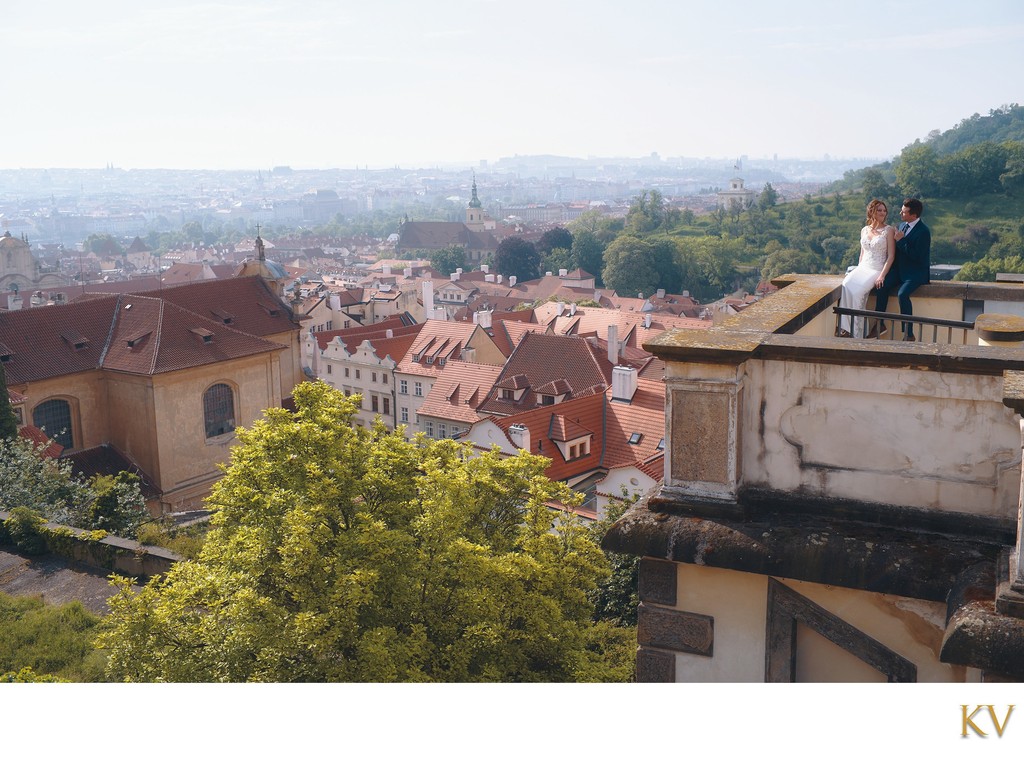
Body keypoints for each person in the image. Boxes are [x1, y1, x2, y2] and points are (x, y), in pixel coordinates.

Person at [873, 198, 931, 341]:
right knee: (882, 286)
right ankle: (880, 323)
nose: (900, 213)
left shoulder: (924, 232)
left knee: (902, 294)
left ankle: (908, 333)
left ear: (914, 215)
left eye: (904, 212)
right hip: (900, 271)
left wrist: (901, 241)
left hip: (916, 273)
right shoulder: (902, 225)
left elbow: (918, 257)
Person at [837, 199, 894, 338]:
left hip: (876, 269)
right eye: (879, 210)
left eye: (884, 210)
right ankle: (845, 328)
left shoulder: (889, 230)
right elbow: (862, 253)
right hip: (862, 267)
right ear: (872, 211)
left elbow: (891, 256)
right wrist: (857, 269)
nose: (882, 213)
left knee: (857, 293)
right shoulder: (864, 230)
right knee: (846, 285)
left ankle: (856, 332)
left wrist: (882, 276)